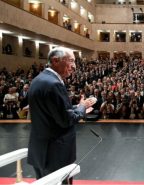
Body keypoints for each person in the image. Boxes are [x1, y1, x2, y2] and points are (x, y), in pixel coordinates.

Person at [27, 47, 96, 184]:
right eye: (71, 61)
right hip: (56, 153)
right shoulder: (54, 84)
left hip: (41, 150)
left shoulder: (39, 80)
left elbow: (53, 111)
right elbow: (67, 120)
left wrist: (77, 107)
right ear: (55, 61)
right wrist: (83, 107)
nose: (74, 66)